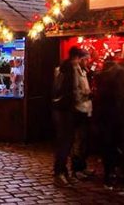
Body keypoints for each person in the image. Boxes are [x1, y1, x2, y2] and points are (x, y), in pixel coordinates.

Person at [93, 59, 124, 195]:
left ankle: (109, 179)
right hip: (122, 118)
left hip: (106, 119)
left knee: (109, 149)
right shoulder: (122, 76)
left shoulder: (101, 78)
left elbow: (98, 100)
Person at [51, 46, 86, 187]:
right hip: (65, 110)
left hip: (61, 109)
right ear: (76, 57)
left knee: (65, 143)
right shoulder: (70, 69)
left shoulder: (62, 68)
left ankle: (62, 172)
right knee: (65, 143)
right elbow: (73, 90)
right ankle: (59, 174)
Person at [71, 49, 94, 180]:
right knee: (78, 141)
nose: (88, 61)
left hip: (87, 109)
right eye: (86, 59)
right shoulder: (75, 72)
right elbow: (76, 92)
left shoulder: (85, 72)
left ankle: (83, 166)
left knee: (85, 140)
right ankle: (76, 169)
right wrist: (87, 94)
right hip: (79, 109)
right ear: (80, 59)